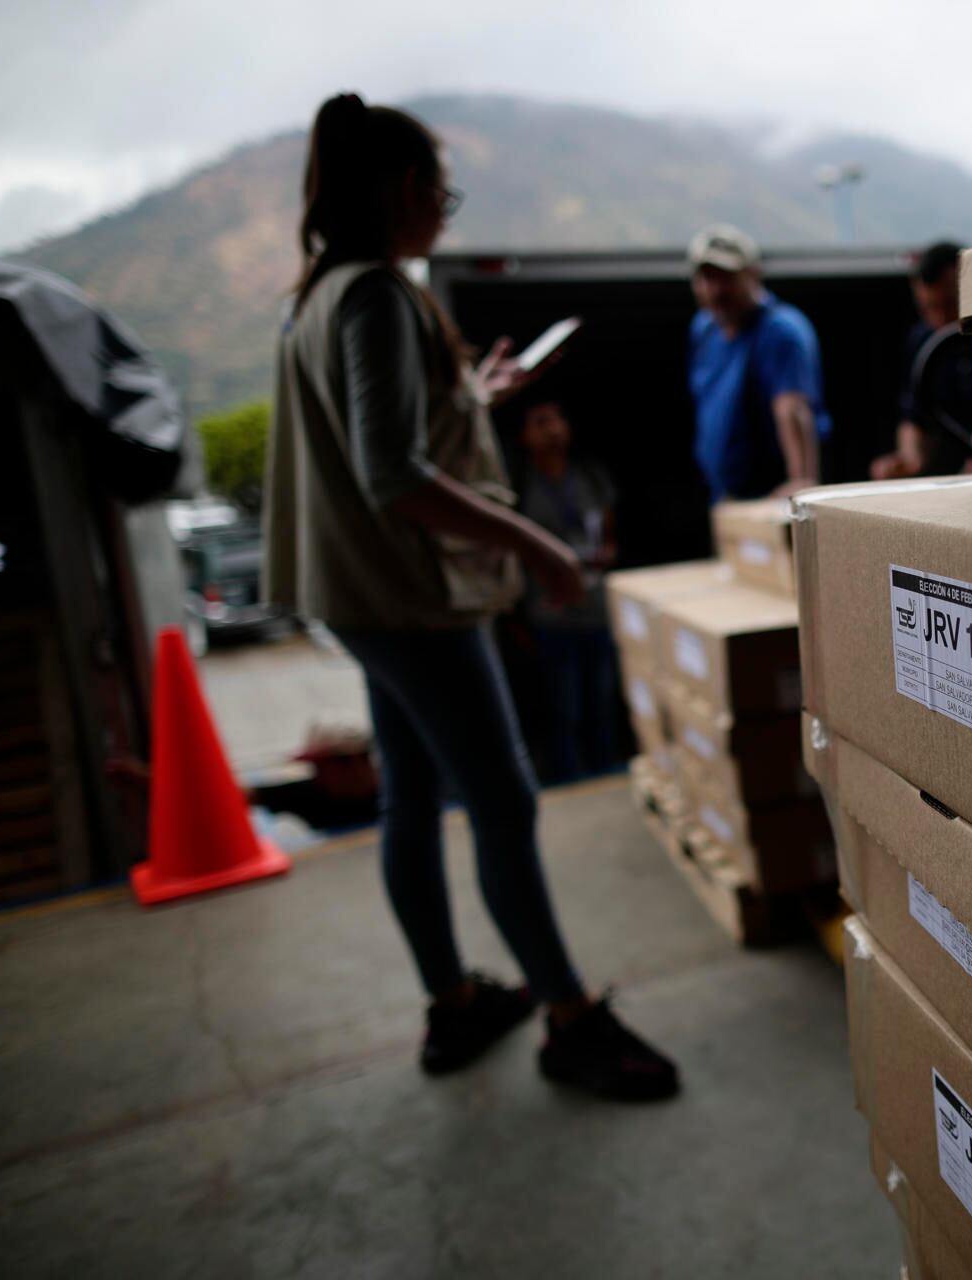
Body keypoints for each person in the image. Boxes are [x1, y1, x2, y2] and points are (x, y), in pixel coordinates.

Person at [262, 92, 676, 1100]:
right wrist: (538, 541)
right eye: (442, 190)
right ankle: (569, 1018)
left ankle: (453, 1000)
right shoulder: (373, 295)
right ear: (408, 189)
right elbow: (391, 474)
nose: (447, 207)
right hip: (410, 598)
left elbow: (391, 435)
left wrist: (468, 400)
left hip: (360, 599)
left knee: (412, 791)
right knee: (502, 794)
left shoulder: (321, 294)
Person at [513, 395, 621, 782]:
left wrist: (601, 556)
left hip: (595, 609)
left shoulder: (589, 477)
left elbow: (609, 534)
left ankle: (605, 778)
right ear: (525, 435)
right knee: (564, 709)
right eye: (542, 421)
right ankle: (569, 782)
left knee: (601, 703)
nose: (554, 429)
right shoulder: (521, 486)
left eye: (558, 419)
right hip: (551, 615)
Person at [685, 224, 832, 499]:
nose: (716, 290)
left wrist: (801, 482)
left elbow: (792, 409)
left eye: (726, 278)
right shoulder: (704, 329)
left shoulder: (780, 331)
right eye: (707, 278)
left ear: (753, 274)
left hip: (769, 495)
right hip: (722, 495)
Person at [872, 241, 972, 479]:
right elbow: (912, 411)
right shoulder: (921, 340)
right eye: (929, 308)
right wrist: (908, 459)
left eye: (950, 304)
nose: (941, 318)